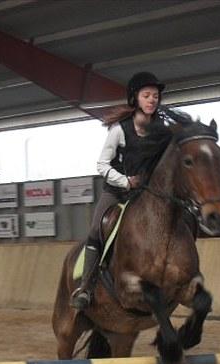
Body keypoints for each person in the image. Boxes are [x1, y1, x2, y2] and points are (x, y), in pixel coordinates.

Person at [70, 71, 166, 310]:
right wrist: (125, 181)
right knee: (96, 229)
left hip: (145, 195)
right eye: (147, 95)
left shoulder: (161, 128)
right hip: (116, 192)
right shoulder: (119, 130)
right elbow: (102, 164)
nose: (152, 99)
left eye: (155, 96)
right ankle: (85, 287)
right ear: (136, 98)